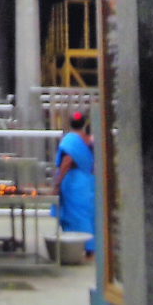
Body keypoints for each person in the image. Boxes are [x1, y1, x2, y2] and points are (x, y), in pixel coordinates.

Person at [53, 111, 96, 260]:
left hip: (73, 181)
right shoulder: (90, 140)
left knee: (75, 216)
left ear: (70, 123)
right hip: (88, 181)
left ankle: (76, 247)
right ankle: (91, 248)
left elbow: (66, 162)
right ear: (84, 124)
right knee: (88, 214)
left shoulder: (69, 140)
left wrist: (57, 182)